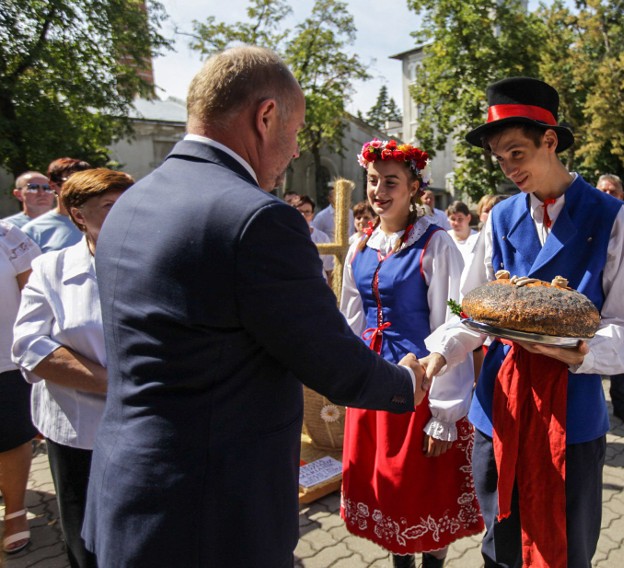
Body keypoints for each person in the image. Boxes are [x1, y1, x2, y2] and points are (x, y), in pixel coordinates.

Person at [81, 46, 428, 568]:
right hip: (213, 515)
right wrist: (406, 383)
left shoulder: (132, 199)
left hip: (127, 492)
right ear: (266, 117)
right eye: (294, 131)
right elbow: (329, 360)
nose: (292, 152)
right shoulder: (257, 220)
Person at [422, 77, 624, 567]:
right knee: (499, 539)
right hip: (499, 404)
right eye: (499, 157)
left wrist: (583, 352)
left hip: (571, 407)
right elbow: (471, 309)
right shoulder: (502, 218)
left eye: (517, 153)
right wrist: (439, 354)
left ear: (550, 140)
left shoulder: (613, 218)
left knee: (567, 543)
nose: (508, 168)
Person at [340, 139, 483, 568]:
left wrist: (444, 414)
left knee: (423, 492)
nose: (379, 191)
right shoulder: (360, 248)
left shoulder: (436, 246)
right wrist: (341, 379)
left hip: (420, 388)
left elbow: (456, 320)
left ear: (414, 187)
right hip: (371, 386)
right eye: (373, 181)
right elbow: (349, 322)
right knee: (388, 492)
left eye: (391, 182)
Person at [12, 168, 134, 568]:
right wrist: (113, 384)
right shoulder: (52, 269)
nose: (124, 215)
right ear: (79, 215)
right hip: (79, 429)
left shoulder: (157, 263)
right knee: (85, 533)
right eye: (110, 207)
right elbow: (30, 345)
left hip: (147, 426)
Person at [0, 220, 40, 555]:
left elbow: (33, 295)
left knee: (11, 437)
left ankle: (15, 511)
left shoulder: (7, 234)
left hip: (5, 360)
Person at [595, 174, 624, 427]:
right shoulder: (587, 219)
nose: (607, 194)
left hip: (618, 296)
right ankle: (596, 407)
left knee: (622, 350)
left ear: (621, 196)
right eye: (602, 190)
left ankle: (621, 406)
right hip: (592, 298)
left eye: (613, 191)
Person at [22, 158, 92, 252]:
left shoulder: (104, 221)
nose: (80, 186)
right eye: (71, 180)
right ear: (53, 185)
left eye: (86, 181)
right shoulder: (34, 230)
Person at [294, 194, 334, 286]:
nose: (303, 215)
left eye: (307, 212)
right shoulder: (287, 235)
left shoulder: (322, 237)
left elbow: (329, 269)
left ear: (312, 215)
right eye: (299, 211)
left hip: (318, 286)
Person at [446, 200, 479, 267]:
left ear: (468, 218)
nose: (456, 223)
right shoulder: (445, 238)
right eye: (453, 219)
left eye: (460, 219)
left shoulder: (478, 238)